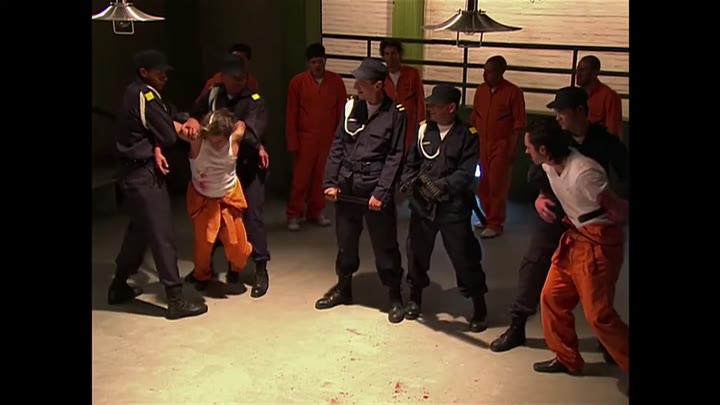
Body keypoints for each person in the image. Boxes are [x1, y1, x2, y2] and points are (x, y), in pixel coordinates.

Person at [489, 87, 628, 357]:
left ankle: (608, 340)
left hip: (591, 222)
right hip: (554, 213)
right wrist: (541, 196)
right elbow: (537, 169)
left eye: (561, 111)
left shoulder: (605, 144)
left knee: (598, 283)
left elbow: (623, 179)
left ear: (580, 111)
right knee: (535, 266)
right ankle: (518, 325)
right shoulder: (554, 138)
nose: (558, 117)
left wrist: (616, 206)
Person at [522, 118, 629, 375]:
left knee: (599, 315)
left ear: (543, 150)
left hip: (599, 242)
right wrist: (541, 198)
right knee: (552, 298)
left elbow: (617, 211)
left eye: (528, 147)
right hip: (575, 237)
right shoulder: (549, 166)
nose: (525, 151)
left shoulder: (584, 173)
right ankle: (566, 357)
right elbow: (548, 186)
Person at [108, 49, 207, 320]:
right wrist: (167, 136)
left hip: (133, 173)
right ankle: (175, 298)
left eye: (165, 70)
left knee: (138, 232)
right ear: (144, 72)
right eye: (158, 71)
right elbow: (167, 133)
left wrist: (186, 118)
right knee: (162, 234)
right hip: (143, 175)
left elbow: (168, 113)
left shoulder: (141, 92)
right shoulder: (145, 96)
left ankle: (118, 285)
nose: (164, 75)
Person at [315, 58, 407, 324]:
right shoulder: (351, 107)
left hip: (374, 188)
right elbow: (338, 145)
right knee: (345, 243)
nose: (356, 87)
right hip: (347, 186)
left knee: (385, 246)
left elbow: (395, 156)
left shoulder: (395, 113)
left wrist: (381, 192)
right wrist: (329, 182)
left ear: (378, 85)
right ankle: (344, 288)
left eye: (362, 83)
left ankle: (394, 295)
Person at [400, 84, 489, 332]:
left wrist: (440, 187)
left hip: (453, 208)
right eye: (430, 105)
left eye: (436, 106)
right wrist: (409, 183)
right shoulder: (423, 131)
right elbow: (411, 163)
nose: (431, 110)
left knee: (465, 256)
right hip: (423, 207)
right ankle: (415, 297)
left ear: (451, 108)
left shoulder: (467, 134)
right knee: (416, 253)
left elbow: (466, 172)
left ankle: (479, 304)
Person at [184, 53, 271, 297]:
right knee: (210, 220)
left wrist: (226, 132)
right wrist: (193, 121)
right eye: (235, 77)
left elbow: (251, 134)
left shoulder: (254, 100)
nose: (240, 81)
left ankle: (260, 268)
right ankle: (205, 270)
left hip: (246, 165)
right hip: (217, 168)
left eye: (243, 77)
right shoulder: (214, 94)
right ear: (223, 77)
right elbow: (194, 114)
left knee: (252, 217)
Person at [156, 109, 254, 288]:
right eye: (212, 140)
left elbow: (241, 124)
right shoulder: (197, 139)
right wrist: (191, 122)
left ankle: (236, 266)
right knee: (203, 245)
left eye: (220, 141)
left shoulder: (234, 138)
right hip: (203, 199)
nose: (215, 145)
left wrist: (230, 123)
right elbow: (170, 125)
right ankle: (202, 275)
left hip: (228, 197)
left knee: (237, 248)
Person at [285, 43, 348, 230]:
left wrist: (342, 140)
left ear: (325, 61)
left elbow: (342, 112)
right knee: (300, 179)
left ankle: (317, 211)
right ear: (307, 63)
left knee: (323, 177)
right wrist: (293, 142)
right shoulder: (297, 83)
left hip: (328, 138)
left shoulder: (336, 82)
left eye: (320, 61)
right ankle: (294, 213)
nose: (317, 66)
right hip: (305, 138)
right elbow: (291, 114)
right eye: (313, 62)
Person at [470, 55, 526, 238]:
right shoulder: (480, 91)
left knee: (497, 185)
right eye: (484, 70)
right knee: (484, 183)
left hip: (502, 144)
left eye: (490, 71)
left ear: (501, 72)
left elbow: (518, 124)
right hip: (482, 143)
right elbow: (475, 117)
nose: (485, 75)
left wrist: (512, 149)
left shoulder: (513, 93)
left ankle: (496, 223)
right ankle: (487, 217)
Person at [381, 39, 426, 152]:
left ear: (399, 54)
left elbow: (420, 101)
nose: (390, 57)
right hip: (388, 127)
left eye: (393, 53)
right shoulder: (380, 77)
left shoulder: (412, 74)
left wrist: (421, 125)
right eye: (387, 54)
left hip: (409, 128)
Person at [575, 55, 623, 138]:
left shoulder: (609, 96)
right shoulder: (575, 94)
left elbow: (613, 130)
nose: (578, 74)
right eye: (578, 70)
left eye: (582, 70)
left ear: (595, 73)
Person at [195, 43, 261, 103]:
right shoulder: (215, 82)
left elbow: (257, 101)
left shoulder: (252, 83)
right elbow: (199, 106)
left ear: (248, 62)